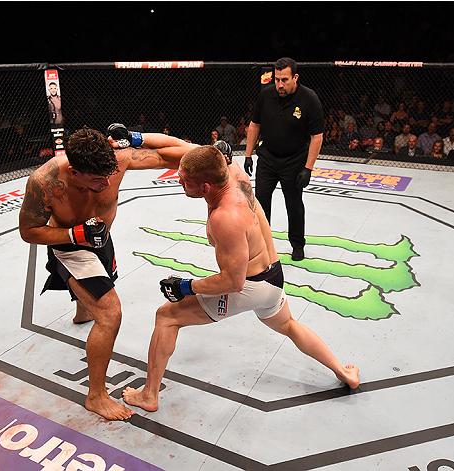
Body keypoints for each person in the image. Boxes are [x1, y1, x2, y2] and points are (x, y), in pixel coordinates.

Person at [122, 145, 360, 413]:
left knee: (167, 317)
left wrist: (186, 287)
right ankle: (344, 372)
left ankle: (149, 395)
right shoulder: (235, 177)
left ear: (206, 187)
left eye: (185, 180)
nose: (179, 181)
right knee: (289, 326)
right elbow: (190, 148)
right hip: (273, 277)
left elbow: (233, 282)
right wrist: (137, 138)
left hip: (250, 287)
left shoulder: (226, 217)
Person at [18, 125, 194, 420]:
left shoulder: (117, 159)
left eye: (108, 175)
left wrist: (208, 155)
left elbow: (170, 157)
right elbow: (29, 232)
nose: (106, 183)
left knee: (93, 303)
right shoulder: (45, 182)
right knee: (110, 313)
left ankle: (83, 311)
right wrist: (76, 234)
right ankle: (96, 395)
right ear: (74, 172)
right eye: (96, 180)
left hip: (102, 239)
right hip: (71, 244)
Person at [243, 57, 324, 262]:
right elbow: (254, 125)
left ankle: (297, 244)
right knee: (260, 201)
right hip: (268, 157)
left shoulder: (309, 99)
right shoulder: (266, 95)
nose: (280, 84)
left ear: (295, 77)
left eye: (284, 80)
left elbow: (317, 136)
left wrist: (308, 167)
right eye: (277, 79)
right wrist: (248, 154)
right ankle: (261, 244)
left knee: (294, 203)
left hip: (295, 160)